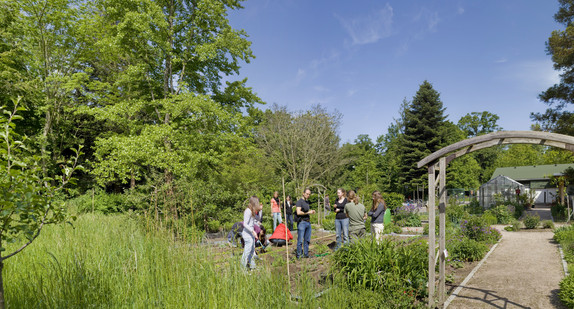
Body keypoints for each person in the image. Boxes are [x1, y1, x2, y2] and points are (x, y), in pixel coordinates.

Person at [241, 196, 261, 270]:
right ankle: (242, 268)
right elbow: (245, 224)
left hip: (251, 233)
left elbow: (256, 219)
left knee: (252, 251)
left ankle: (252, 266)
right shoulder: (248, 211)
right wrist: (253, 231)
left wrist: (260, 211)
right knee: (247, 251)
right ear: (255, 202)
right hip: (247, 234)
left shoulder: (252, 211)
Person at [296, 188, 315, 259]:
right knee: (300, 240)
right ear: (303, 193)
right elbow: (298, 212)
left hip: (308, 222)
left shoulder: (307, 202)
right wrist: (308, 212)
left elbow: (306, 211)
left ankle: (306, 254)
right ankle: (299, 255)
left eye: (309, 194)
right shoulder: (299, 202)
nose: (308, 195)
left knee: (307, 240)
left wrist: (311, 211)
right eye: (307, 194)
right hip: (302, 222)